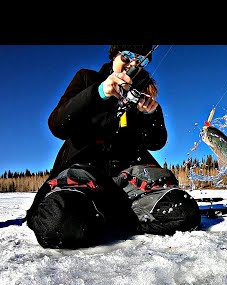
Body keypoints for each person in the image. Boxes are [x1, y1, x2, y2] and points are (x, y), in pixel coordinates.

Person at [26, 45, 201, 249]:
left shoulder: (145, 95)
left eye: (140, 60)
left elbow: (157, 142)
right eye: (127, 56)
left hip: (130, 177)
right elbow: (57, 125)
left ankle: (117, 215)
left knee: (184, 212)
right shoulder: (86, 79)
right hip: (85, 172)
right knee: (58, 224)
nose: (133, 64)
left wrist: (150, 115)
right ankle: (94, 213)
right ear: (115, 55)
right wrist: (99, 93)